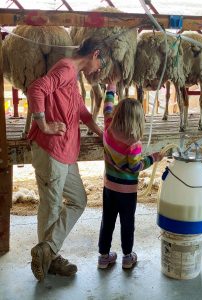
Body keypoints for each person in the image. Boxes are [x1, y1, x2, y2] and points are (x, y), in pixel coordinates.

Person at [27, 37, 110, 281]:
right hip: (52, 150)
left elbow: (80, 110)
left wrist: (100, 132)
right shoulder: (66, 69)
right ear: (95, 54)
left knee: (78, 200)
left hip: (66, 152)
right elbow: (36, 89)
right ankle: (49, 259)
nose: (100, 69)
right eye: (101, 63)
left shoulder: (71, 74)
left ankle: (47, 250)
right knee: (51, 207)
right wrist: (45, 125)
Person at [97, 81, 164, 269]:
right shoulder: (134, 144)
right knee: (127, 223)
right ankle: (127, 257)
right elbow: (135, 168)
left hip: (109, 187)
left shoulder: (109, 127)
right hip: (127, 192)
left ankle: (103, 257)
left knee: (107, 221)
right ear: (137, 121)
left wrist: (111, 88)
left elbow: (107, 107)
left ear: (118, 114)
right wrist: (153, 158)